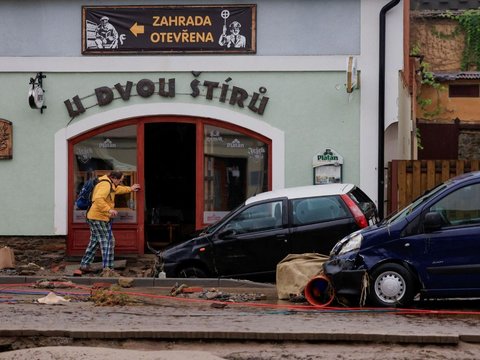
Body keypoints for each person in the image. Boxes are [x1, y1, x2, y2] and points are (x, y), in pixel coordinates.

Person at [79, 171, 140, 276]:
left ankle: (85, 264)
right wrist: (109, 210)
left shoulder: (109, 183)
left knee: (95, 241)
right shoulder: (105, 184)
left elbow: (117, 189)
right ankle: (108, 269)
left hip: (97, 217)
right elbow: (98, 199)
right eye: (120, 181)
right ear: (114, 178)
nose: (120, 183)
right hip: (98, 217)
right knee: (108, 241)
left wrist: (130, 188)